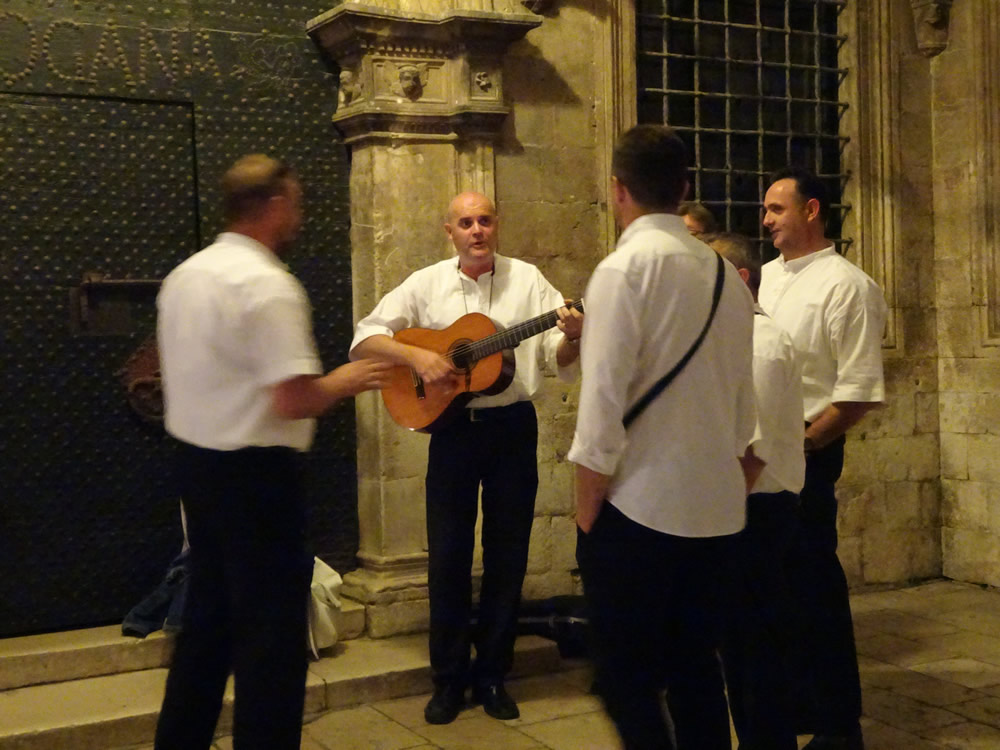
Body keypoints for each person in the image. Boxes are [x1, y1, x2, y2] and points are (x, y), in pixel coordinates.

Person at [154, 154, 391, 750]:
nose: (301, 218)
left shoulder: (185, 275)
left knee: (206, 630)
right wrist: (351, 377)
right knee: (271, 646)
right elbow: (293, 399)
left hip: (197, 467)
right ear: (276, 204)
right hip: (257, 481)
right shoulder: (268, 285)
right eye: (299, 204)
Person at [349, 191, 583, 724]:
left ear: (496, 226)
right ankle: (449, 679)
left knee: (508, 553)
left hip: (511, 429)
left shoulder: (529, 281)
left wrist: (573, 335)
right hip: (452, 433)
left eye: (485, 220)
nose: (476, 230)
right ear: (449, 231)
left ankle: (494, 674)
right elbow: (365, 338)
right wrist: (418, 357)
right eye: (465, 222)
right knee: (448, 555)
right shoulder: (425, 283)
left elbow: (558, 359)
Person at [569, 124, 755, 750]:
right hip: (718, 513)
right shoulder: (729, 277)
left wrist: (586, 511)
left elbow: (602, 407)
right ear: (682, 189)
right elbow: (741, 411)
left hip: (638, 510)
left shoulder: (623, 271)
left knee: (626, 680)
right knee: (697, 671)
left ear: (618, 190)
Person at [759, 167, 887, 750]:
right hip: (762, 454)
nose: (766, 220)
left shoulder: (847, 285)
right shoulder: (761, 278)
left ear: (812, 211)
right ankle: (797, 704)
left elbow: (856, 394)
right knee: (775, 591)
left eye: (776, 209)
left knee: (814, 587)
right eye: (764, 211)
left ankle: (840, 725)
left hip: (809, 450)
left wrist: (803, 445)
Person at [706, 232, 805, 750]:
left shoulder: (760, 342)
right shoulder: (736, 337)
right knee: (741, 649)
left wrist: (714, 522)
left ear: (741, 280)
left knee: (757, 650)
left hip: (758, 509)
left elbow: (754, 451)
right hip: (743, 507)